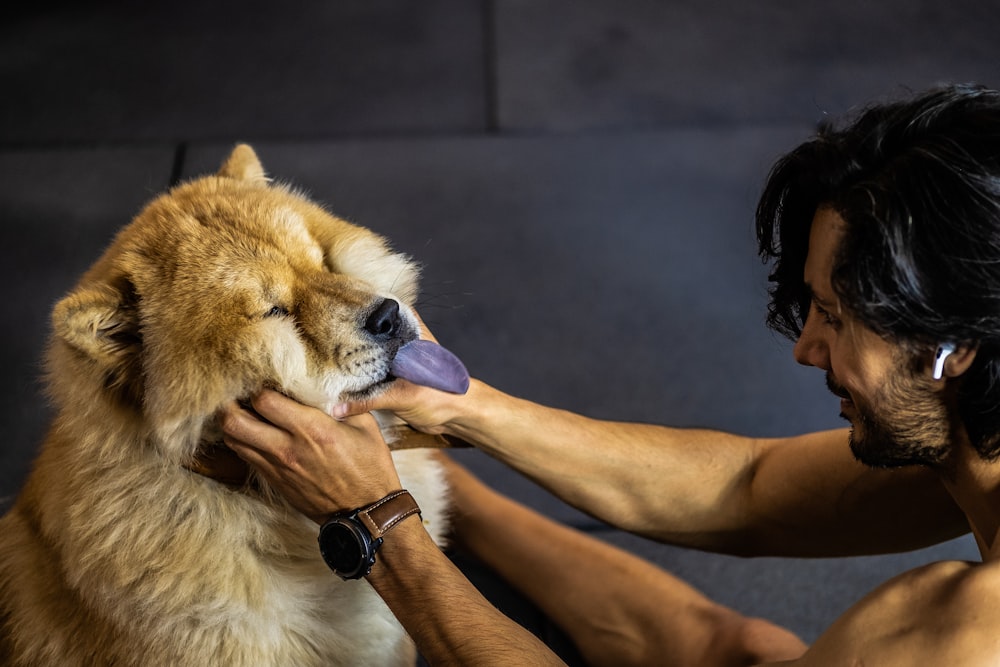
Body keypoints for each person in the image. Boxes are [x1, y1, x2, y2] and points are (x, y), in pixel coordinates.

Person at [219, 83, 1000, 666]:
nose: (806, 347)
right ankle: (470, 505)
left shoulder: (948, 634)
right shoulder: (972, 428)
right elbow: (750, 489)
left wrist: (378, 522)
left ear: (952, 342)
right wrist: (464, 412)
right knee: (746, 650)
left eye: (833, 314)